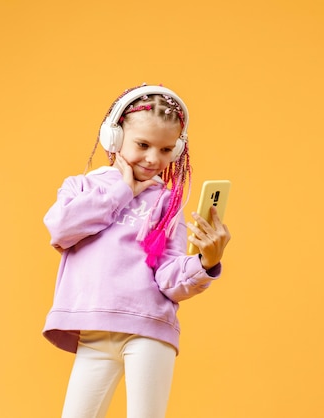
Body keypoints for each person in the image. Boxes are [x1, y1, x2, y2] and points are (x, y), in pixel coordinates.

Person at [42, 84, 231, 418]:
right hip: (94, 330)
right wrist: (122, 192)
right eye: (143, 144)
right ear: (113, 137)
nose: (153, 159)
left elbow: (169, 279)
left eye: (165, 149)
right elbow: (62, 229)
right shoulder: (82, 187)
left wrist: (205, 261)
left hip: (150, 328)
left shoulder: (167, 204)